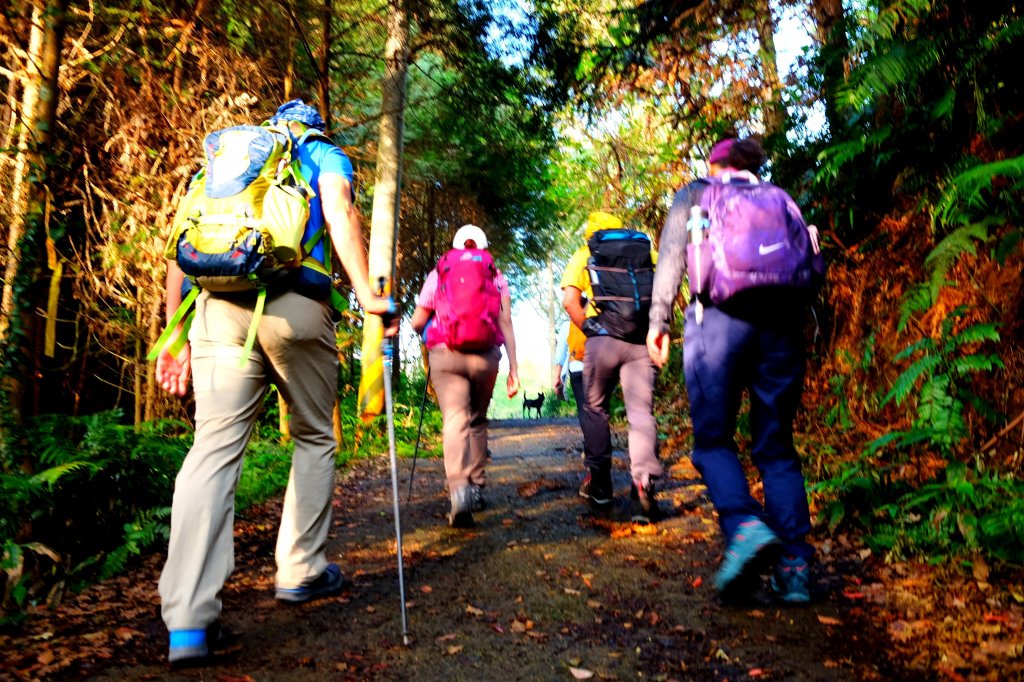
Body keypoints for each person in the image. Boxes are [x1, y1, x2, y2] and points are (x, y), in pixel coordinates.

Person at [155, 99, 396, 665]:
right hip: (296, 309)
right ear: (312, 126)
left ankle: (187, 620)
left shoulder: (224, 161)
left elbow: (180, 247)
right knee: (314, 436)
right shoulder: (319, 153)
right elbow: (338, 209)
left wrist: (174, 334)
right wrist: (366, 296)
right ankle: (300, 569)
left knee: (212, 450)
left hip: (216, 308)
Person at [647, 137, 816, 603]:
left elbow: (671, 261)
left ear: (713, 164)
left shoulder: (694, 195)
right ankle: (796, 568)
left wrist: (658, 322)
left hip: (716, 324)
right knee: (778, 448)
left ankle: (743, 525)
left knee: (714, 441)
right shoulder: (778, 198)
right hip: (781, 329)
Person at [410, 224, 520, 528]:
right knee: (476, 420)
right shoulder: (496, 275)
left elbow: (417, 321)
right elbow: (506, 321)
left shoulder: (440, 272)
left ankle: (459, 490)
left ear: (456, 246)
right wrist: (514, 368)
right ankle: (477, 486)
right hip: (486, 357)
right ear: (483, 248)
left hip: (447, 355)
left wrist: (434, 333)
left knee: (455, 419)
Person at [561, 211, 664, 523]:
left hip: (601, 342)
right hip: (640, 341)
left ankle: (601, 484)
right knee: (640, 414)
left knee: (595, 409)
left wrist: (591, 328)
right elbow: (662, 291)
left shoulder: (584, 254)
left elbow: (569, 301)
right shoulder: (645, 252)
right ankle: (643, 484)